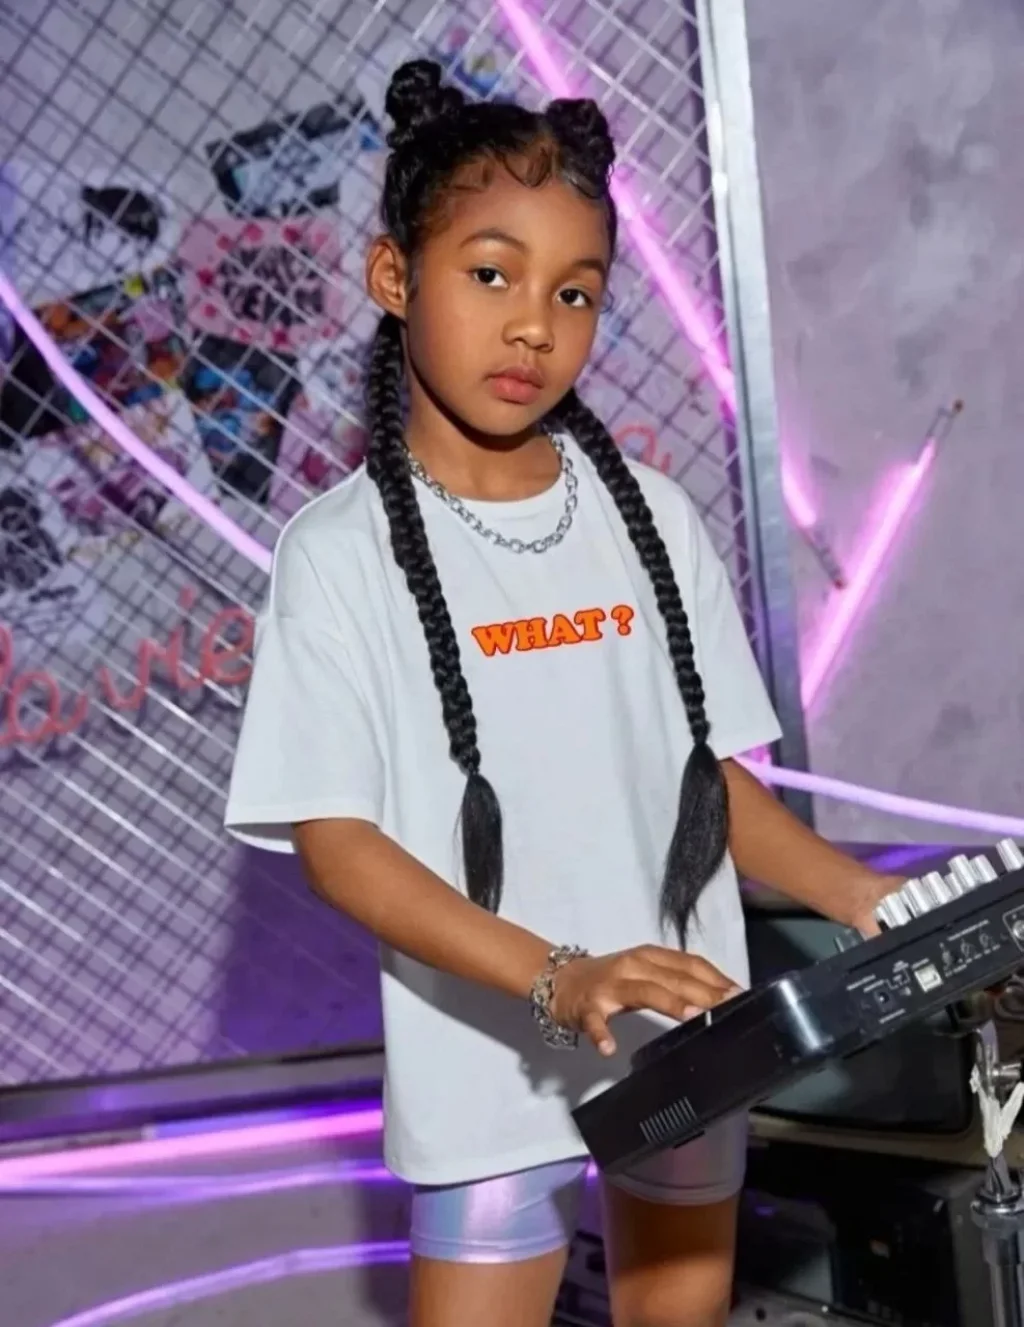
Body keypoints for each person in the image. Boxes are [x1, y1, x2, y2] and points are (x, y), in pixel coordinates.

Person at [225, 59, 901, 1327]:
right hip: (487, 1066)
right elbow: (338, 843)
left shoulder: (652, 517)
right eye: (492, 274)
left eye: (575, 291)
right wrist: (559, 976)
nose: (535, 324)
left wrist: (856, 893)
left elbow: (703, 782)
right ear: (392, 278)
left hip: (686, 1032)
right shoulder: (339, 552)